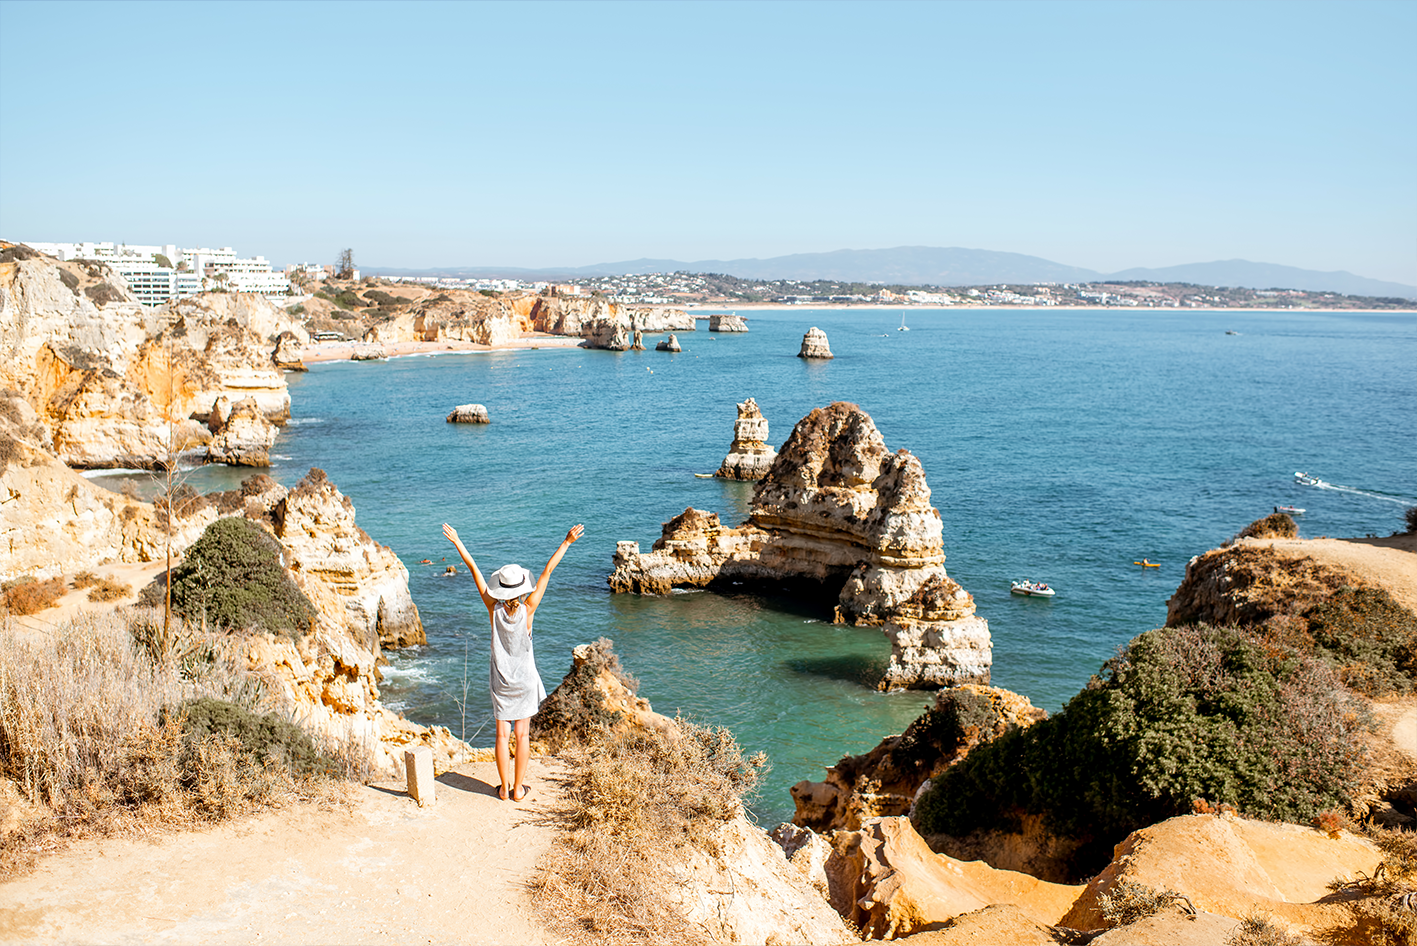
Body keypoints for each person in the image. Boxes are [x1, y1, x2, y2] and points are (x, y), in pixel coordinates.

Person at [442, 521, 584, 802]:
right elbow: (547, 572)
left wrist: (458, 541)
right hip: (525, 680)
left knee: (501, 736)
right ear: (520, 589)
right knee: (522, 736)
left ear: (500, 589)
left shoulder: (491, 608)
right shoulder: (528, 610)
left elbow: (473, 568)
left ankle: (503, 789)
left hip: (501, 680)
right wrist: (566, 542)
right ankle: (519, 789)